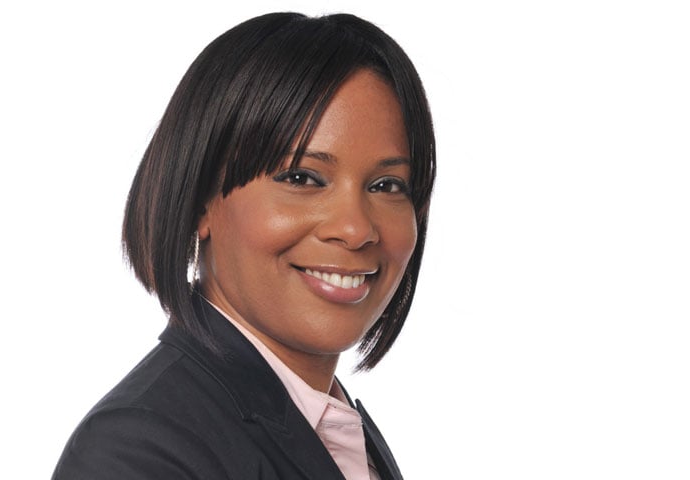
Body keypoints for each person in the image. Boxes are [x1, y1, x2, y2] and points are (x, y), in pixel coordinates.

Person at [52, 11, 435, 480]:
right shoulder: (137, 451)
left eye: (387, 185)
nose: (356, 230)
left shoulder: (332, 428)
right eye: (302, 178)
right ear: (200, 201)